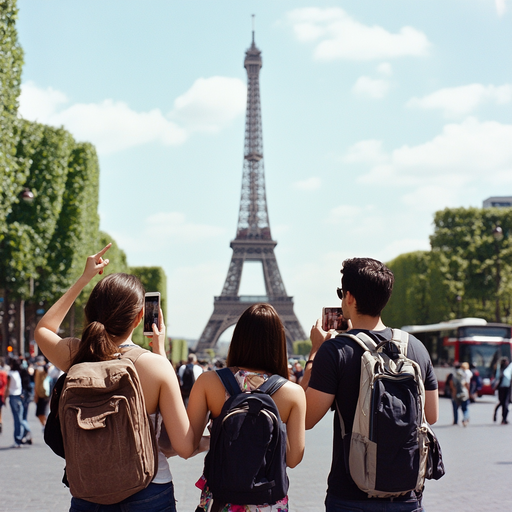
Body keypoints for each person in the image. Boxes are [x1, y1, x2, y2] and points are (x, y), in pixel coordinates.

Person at [34, 245, 196, 512]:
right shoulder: (157, 366)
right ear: (141, 317)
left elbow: (44, 328)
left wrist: (84, 278)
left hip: (89, 491)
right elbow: (184, 447)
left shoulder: (77, 354)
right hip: (148, 489)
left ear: (90, 311)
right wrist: (161, 352)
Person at [300, 257, 439, 512]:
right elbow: (432, 414)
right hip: (406, 493)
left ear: (350, 297)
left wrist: (316, 351)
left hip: (350, 494)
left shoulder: (335, 351)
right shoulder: (415, 347)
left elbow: (306, 418)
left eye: (342, 294)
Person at [184, 303, 306, 512]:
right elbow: (293, 459)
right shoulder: (293, 393)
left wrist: (219, 440)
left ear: (238, 338)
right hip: (266, 502)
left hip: (221, 501)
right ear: (278, 342)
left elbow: (188, 446)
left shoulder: (208, 382)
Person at [5, 357, 32, 447]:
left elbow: (8, 388)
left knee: (16, 419)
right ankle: (22, 436)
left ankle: (18, 439)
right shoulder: (17, 373)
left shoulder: (11, 374)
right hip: (20, 396)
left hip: (13, 397)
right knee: (20, 417)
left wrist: (4, 398)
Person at [493, 357, 511, 425]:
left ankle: (500, 417)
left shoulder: (499, 369)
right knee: (505, 403)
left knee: (502, 402)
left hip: (501, 388)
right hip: (507, 387)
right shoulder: (508, 369)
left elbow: (496, 378)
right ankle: (504, 419)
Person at [34, 356, 50, 427]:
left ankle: (46, 426)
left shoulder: (38, 370)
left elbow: (37, 384)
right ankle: (46, 426)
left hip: (41, 394)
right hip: (47, 393)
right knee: (43, 412)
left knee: (40, 414)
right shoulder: (48, 370)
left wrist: (36, 395)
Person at [0, 357, 7, 434]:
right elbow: (5, 384)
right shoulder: (3, 372)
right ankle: (0, 422)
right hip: (1, 393)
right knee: (0, 409)